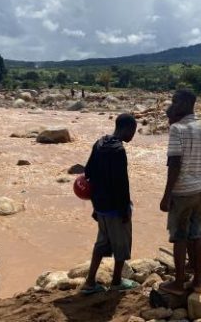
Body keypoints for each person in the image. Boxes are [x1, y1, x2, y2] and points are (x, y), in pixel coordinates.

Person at [160, 90, 201, 295]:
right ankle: (197, 281)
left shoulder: (177, 129)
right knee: (197, 234)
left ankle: (179, 281)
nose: (173, 106)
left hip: (183, 191)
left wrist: (166, 195)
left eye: (175, 102)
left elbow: (174, 163)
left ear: (183, 103)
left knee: (179, 237)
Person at [81, 113, 138, 294]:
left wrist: (95, 205)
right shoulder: (118, 151)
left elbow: (88, 172)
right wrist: (125, 211)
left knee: (101, 244)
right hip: (115, 207)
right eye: (133, 131)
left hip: (100, 206)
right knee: (121, 246)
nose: (133, 135)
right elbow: (122, 184)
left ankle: (90, 282)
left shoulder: (99, 143)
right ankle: (116, 281)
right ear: (127, 129)